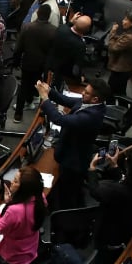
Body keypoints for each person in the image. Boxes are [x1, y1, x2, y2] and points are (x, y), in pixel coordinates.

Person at [38, 78, 110, 210]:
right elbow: (66, 100)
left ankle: (64, 216)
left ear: (95, 99)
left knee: (68, 194)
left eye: (87, 93)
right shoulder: (90, 104)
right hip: (71, 150)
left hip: (73, 161)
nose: (82, 93)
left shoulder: (90, 116)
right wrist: (49, 91)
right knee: (69, 189)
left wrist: (45, 98)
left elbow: (58, 119)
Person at [0, 166, 47, 264]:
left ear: (24, 189)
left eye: (15, 181)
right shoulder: (40, 198)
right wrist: (11, 201)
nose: (12, 183)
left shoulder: (15, 210)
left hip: (13, 256)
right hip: (30, 248)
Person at [13, 4, 56, 123]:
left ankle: (18, 114)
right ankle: (39, 113)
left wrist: (15, 61)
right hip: (42, 65)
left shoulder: (27, 27)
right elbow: (53, 51)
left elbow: (18, 48)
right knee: (38, 84)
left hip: (28, 62)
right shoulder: (53, 30)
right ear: (48, 16)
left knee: (24, 85)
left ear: (37, 13)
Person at [107, 9, 132, 97]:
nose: (123, 21)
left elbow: (113, 48)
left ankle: (110, 109)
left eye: (125, 19)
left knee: (110, 93)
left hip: (120, 70)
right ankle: (126, 110)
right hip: (126, 68)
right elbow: (122, 39)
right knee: (120, 92)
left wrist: (112, 32)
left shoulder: (130, 37)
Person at [46, 13, 91, 87]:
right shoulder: (80, 45)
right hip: (64, 76)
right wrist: (79, 79)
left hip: (50, 68)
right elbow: (76, 69)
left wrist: (71, 21)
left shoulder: (61, 29)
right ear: (87, 29)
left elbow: (66, 27)